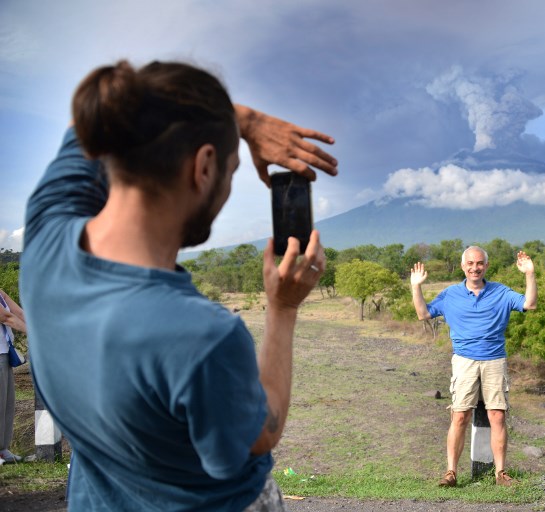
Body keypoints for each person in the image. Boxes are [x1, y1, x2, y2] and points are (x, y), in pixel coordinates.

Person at [19, 60, 337, 511]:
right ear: (203, 166)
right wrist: (282, 308)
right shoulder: (201, 336)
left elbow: (84, 126)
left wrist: (238, 121)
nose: (226, 188)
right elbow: (261, 434)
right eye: (230, 171)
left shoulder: (46, 237)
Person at [410, 246, 537, 487]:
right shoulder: (450, 294)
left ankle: (500, 474)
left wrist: (529, 273)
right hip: (464, 361)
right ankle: (451, 473)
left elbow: (529, 304)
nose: (474, 267)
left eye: (479, 263)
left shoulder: (501, 292)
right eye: (470, 263)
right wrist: (416, 286)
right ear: (463, 267)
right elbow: (422, 313)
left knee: (497, 415)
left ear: (486, 266)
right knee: (459, 416)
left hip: (494, 360)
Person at [0, 289, 26, 465]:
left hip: (4, 353)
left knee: (7, 403)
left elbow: (18, 312)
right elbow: (6, 317)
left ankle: (3, 448)